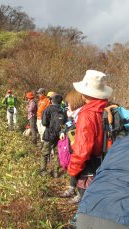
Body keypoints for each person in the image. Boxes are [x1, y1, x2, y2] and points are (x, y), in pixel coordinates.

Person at [67, 69, 113, 199]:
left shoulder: (87, 114)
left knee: (87, 207)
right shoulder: (109, 108)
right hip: (109, 166)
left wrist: (73, 169)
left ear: (85, 94)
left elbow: (83, 149)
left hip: (90, 170)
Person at [59, 89, 85, 204]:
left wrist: (69, 120)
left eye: (69, 103)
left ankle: (80, 195)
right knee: (75, 167)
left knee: (81, 171)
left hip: (80, 150)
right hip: (75, 149)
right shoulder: (76, 115)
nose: (67, 106)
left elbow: (75, 133)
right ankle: (72, 188)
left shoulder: (81, 116)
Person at [40, 94, 67, 177]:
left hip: (49, 134)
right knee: (57, 153)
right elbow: (65, 123)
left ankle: (43, 171)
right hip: (59, 135)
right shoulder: (63, 111)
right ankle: (56, 172)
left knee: (45, 153)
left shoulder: (47, 109)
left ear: (52, 100)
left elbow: (44, 123)